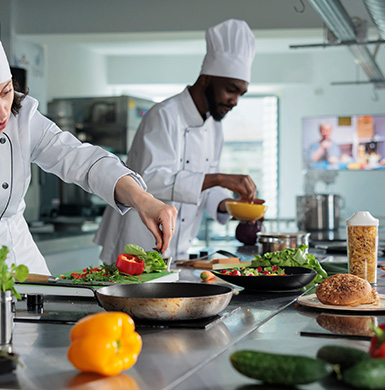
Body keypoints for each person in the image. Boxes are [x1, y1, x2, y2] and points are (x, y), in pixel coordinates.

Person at [0, 0, 176, 329]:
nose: (0, 112)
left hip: (22, 269)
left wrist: (144, 199)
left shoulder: (21, 115)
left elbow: (79, 158)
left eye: (6, 91)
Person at [95, 19, 263, 262]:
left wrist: (234, 206)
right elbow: (149, 181)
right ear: (205, 78)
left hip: (178, 251)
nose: (235, 101)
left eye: (240, 94)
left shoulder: (215, 127)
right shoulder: (164, 115)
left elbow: (202, 191)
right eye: (230, 89)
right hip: (135, 248)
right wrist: (220, 178)